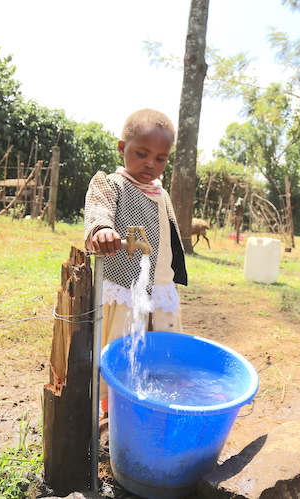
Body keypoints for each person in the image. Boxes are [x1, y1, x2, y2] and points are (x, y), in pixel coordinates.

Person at [84, 108, 188, 418]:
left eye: (161, 158)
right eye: (142, 154)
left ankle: (153, 413)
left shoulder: (161, 193)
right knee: (121, 356)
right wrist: (101, 230)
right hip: (126, 291)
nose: (151, 164)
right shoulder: (111, 184)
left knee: (161, 358)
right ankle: (111, 417)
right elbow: (98, 210)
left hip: (161, 291)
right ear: (121, 148)